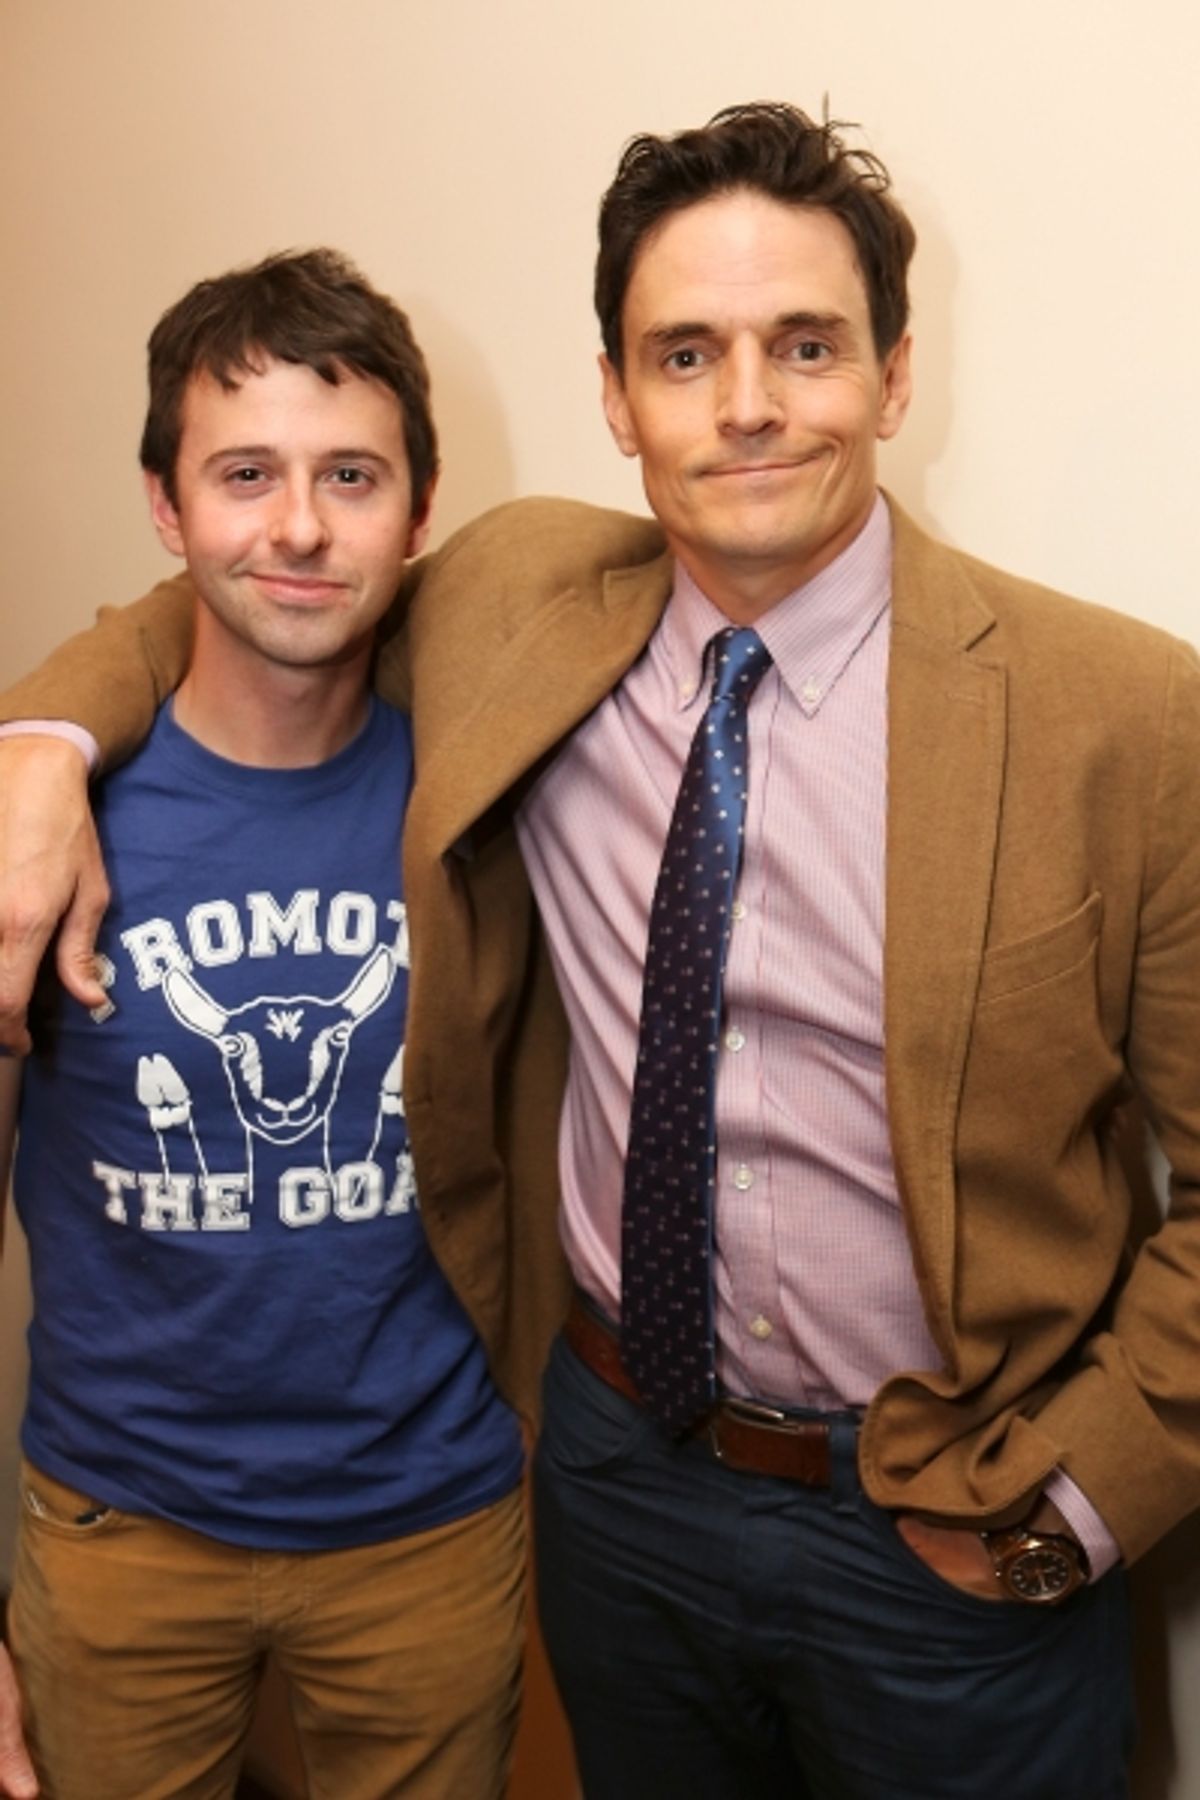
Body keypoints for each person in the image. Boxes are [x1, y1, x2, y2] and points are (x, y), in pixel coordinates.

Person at [1, 103, 1199, 1798]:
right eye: (687, 354)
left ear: (897, 373)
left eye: (806, 345)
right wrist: (39, 742)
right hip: (620, 1488)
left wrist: (1076, 1503)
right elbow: (253, 583)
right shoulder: (521, 608)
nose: (752, 404)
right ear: (617, 399)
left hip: (954, 1517)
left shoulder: (1123, 710)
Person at [0, 247, 600, 1800]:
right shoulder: (45, 836)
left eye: (351, 474)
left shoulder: (493, 782)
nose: (299, 527)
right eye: (243, 472)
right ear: (164, 503)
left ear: (421, 504)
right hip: (117, 1528)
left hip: (430, 1520)